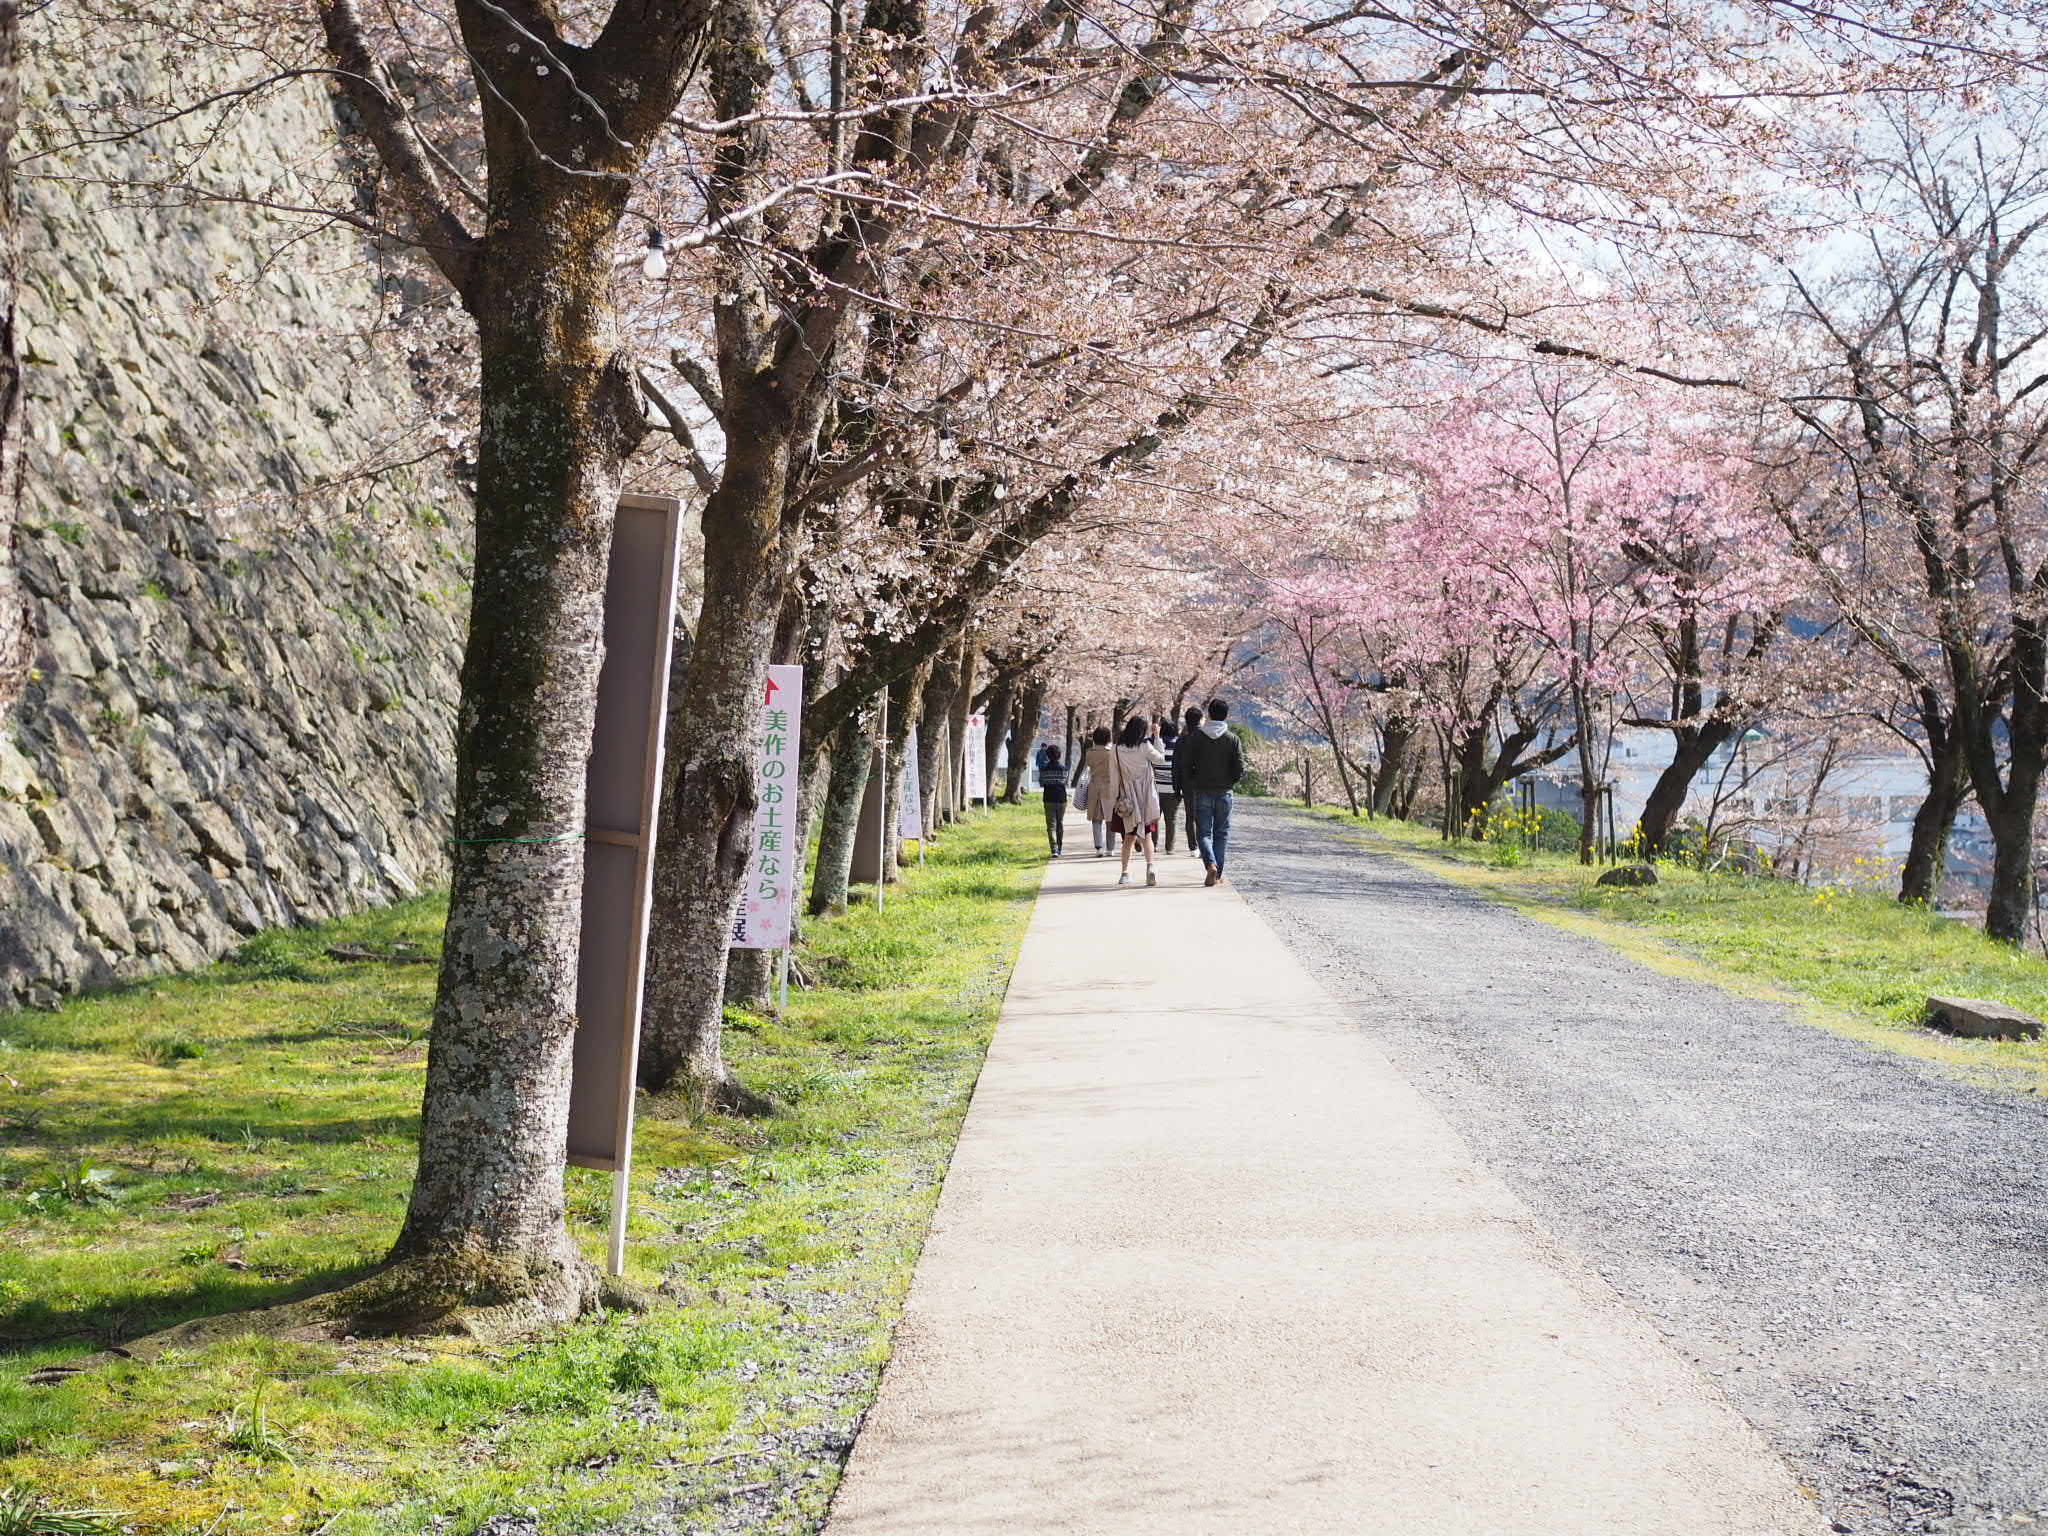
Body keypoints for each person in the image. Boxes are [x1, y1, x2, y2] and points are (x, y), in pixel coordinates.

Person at [1184, 698, 1244, 886]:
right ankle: (1217, 875)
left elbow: (1187, 764)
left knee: (1203, 832)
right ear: (1225, 715)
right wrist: (1230, 781)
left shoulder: (1196, 737)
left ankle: (1210, 864)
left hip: (1202, 790)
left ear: (1209, 714)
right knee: (1222, 833)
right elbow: (1239, 767)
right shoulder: (1232, 739)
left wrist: (1195, 780)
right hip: (1224, 791)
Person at [1108, 715, 1167, 886]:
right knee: (1147, 835)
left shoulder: (1116, 749)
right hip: (1145, 800)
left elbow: (1114, 776)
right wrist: (1157, 737)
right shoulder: (1145, 747)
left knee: (1128, 837)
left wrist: (1115, 799)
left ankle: (1125, 873)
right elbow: (1161, 758)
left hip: (1127, 800)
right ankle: (1150, 867)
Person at [1173, 705, 1205, 856]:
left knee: (1190, 816)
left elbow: (1176, 766)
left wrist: (1176, 787)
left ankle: (1193, 847)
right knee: (1204, 815)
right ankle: (1204, 843)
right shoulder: (1207, 737)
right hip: (1205, 783)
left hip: (1187, 783)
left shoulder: (1182, 740)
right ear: (1200, 719)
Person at [1081, 725, 1117, 857]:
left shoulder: (1089, 753)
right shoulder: (1111, 753)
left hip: (1094, 787)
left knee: (1096, 819)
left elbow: (1087, 769)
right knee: (1110, 819)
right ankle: (1110, 848)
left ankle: (1098, 848)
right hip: (1109, 787)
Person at [1153, 720, 1182, 854]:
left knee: (1153, 818)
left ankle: (1152, 844)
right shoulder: (1179, 743)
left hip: (1156, 787)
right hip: (1173, 788)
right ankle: (1169, 848)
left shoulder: (1155, 742)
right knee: (1171, 820)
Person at [1037, 744, 1068, 856]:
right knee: (1060, 823)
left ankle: (1053, 848)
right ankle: (1059, 847)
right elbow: (1064, 782)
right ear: (1059, 755)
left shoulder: (1044, 770)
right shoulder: (1064, 769)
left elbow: (1041, 783)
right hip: (1061, 799)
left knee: (1051, 825)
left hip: (1048, 798)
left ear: (1048, 756)